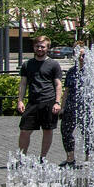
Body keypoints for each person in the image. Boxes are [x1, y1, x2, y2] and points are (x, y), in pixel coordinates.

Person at [16, 35, 63, 165]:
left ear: (47, 48)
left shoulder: (53, 64)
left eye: (43, 46)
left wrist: (57, 102)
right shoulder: (27, 64)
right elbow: (23, 83)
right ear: (34, 47)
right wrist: (20, 100)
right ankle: (22, 158)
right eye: (38, 46)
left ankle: (42, 158)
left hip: (48, 101)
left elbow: (58, 84)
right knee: (24, 130)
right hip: (32, 102)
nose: (40, 49)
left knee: (47, 130)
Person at [59, 48, 94, 167]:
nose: (81, 58)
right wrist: (62, 107)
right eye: (79, 55)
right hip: (70, 106)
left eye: (83, 55)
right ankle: (70, 158)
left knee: (87, 132)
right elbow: (67, 91)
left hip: (86, 106)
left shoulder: (92, 71)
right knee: (66, 131)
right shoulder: (71, 71)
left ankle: (88, 158)